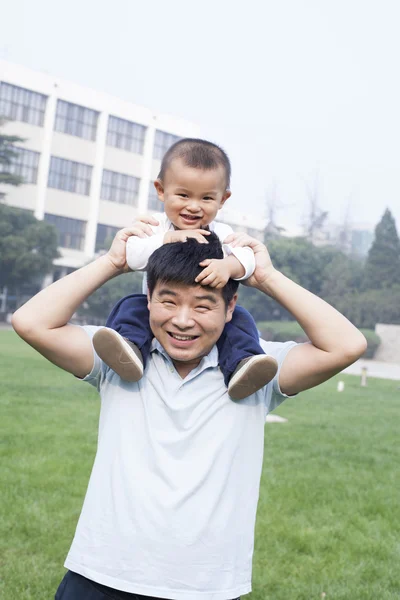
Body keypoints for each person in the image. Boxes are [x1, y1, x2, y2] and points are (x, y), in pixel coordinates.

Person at [12, 229, 367, 600]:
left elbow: (346, 345)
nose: (183, 321)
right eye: (168, 301)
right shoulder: (117, 356)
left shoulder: (256, 368)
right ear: (147, 298)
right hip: (101, 575)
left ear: (231, 308)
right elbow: (31, 322)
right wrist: (113, 262)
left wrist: (266, 278)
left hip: (206, 588)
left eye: (202, 306)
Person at [92, 138, 278, 400]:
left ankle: (243, 364)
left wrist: (229, 265)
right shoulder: (155, 227)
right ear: (161, 190)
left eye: (207, 198)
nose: (193, 206)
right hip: (157, 306)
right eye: (183, 195)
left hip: (209, 313)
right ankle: (130, 350)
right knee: (130, 307)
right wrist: (164, 240)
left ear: (223, 199)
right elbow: (130, 255)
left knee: (241, 321)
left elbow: (248, 259)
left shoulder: (222, 233)